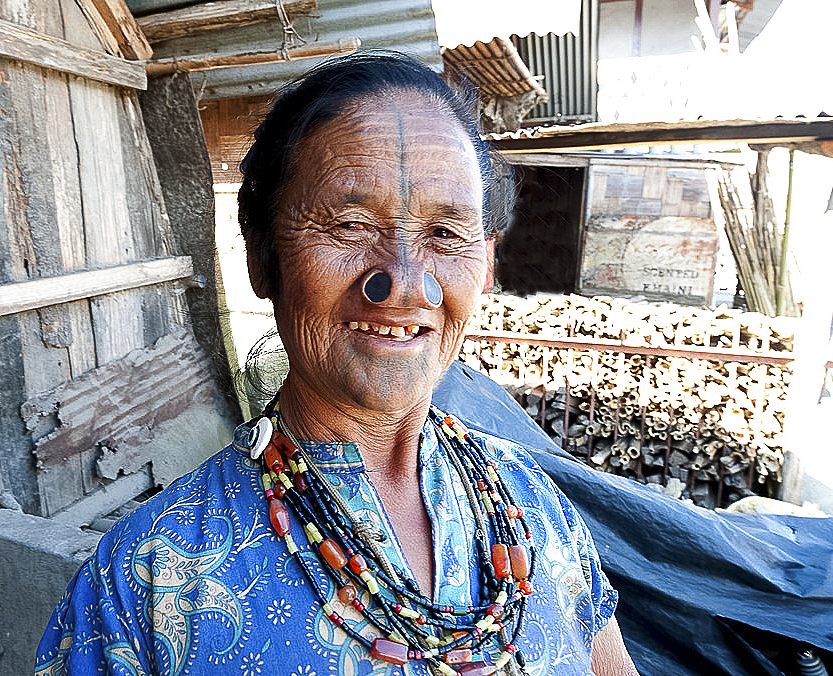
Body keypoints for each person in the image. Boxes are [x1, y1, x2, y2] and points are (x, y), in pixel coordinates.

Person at [35, 52, 638, 676]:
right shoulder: (148, 582)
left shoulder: (536, 507)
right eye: (349, 224)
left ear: (484, 264)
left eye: (446, 233)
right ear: (262, 257)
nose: (405, 285)